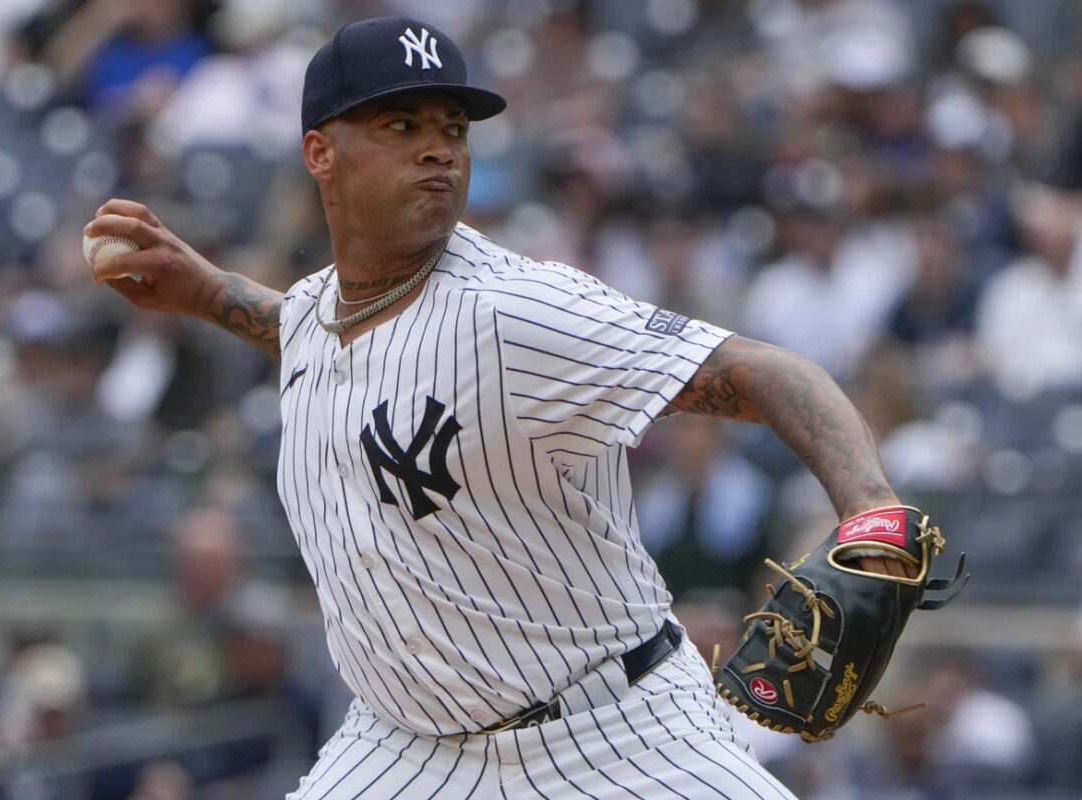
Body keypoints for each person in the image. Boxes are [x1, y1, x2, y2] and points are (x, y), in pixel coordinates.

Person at [85, 15, 918, 798]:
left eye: (452, 128)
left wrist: (872, 512)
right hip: (403, 749)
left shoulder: (516, 314)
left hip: (613, 735)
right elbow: (319, 333)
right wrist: (209, 292)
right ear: (319, 153)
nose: (438, 151)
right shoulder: (314, 312)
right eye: (400, 127)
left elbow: (763, 371)